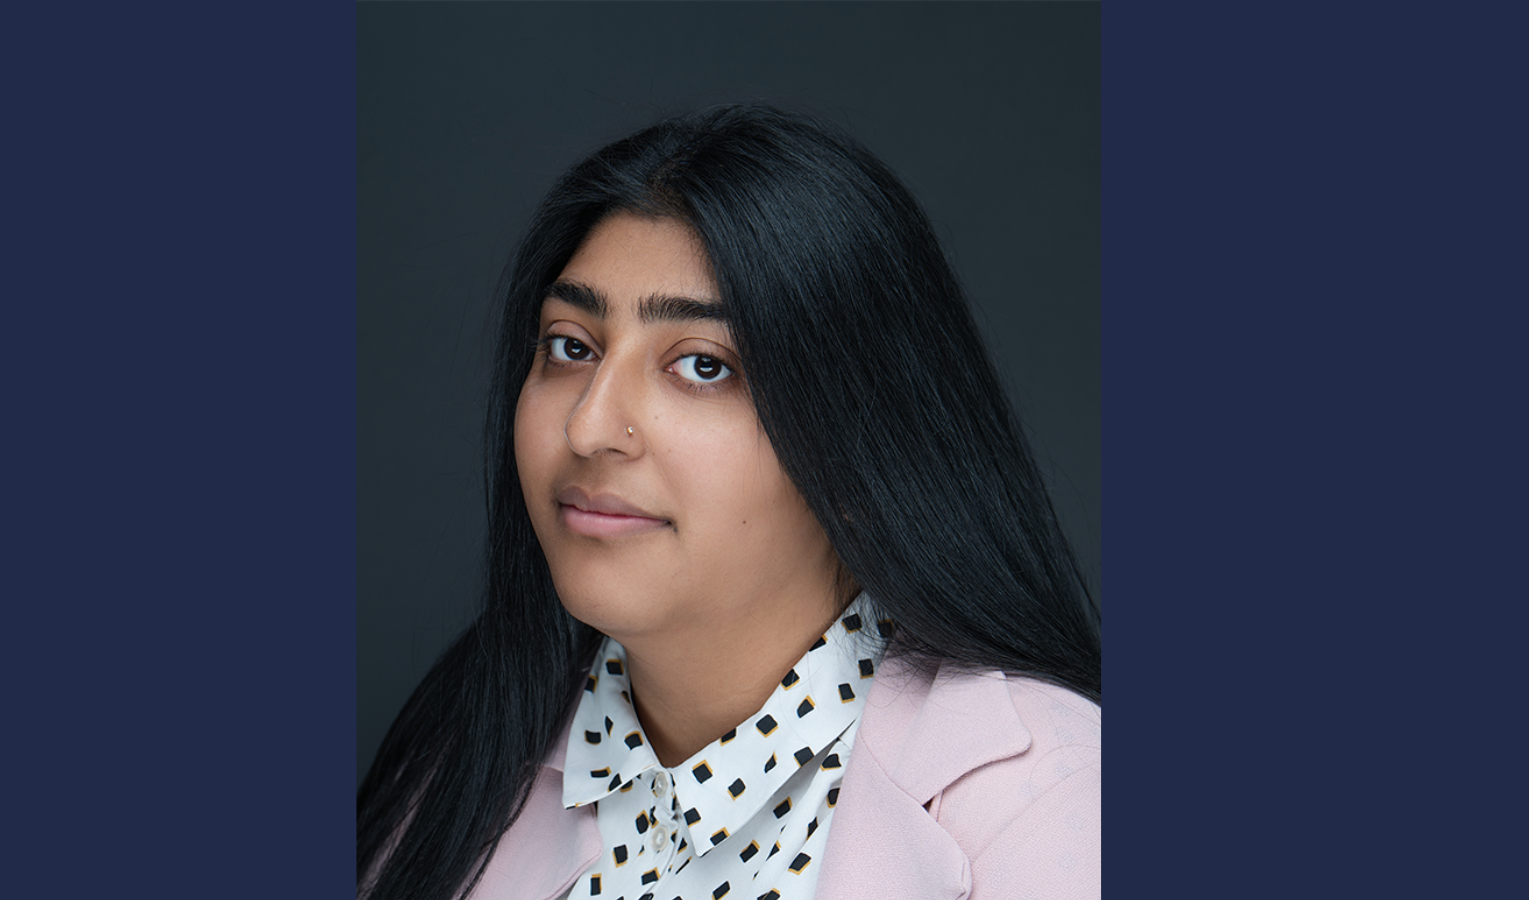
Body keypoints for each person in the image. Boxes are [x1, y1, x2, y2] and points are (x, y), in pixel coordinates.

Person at [357, 104, 1101, 900]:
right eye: (571, 347)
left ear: (865, 444)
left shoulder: (1053, 805)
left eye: (703, 366)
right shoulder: (455, 767)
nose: (589, 424)